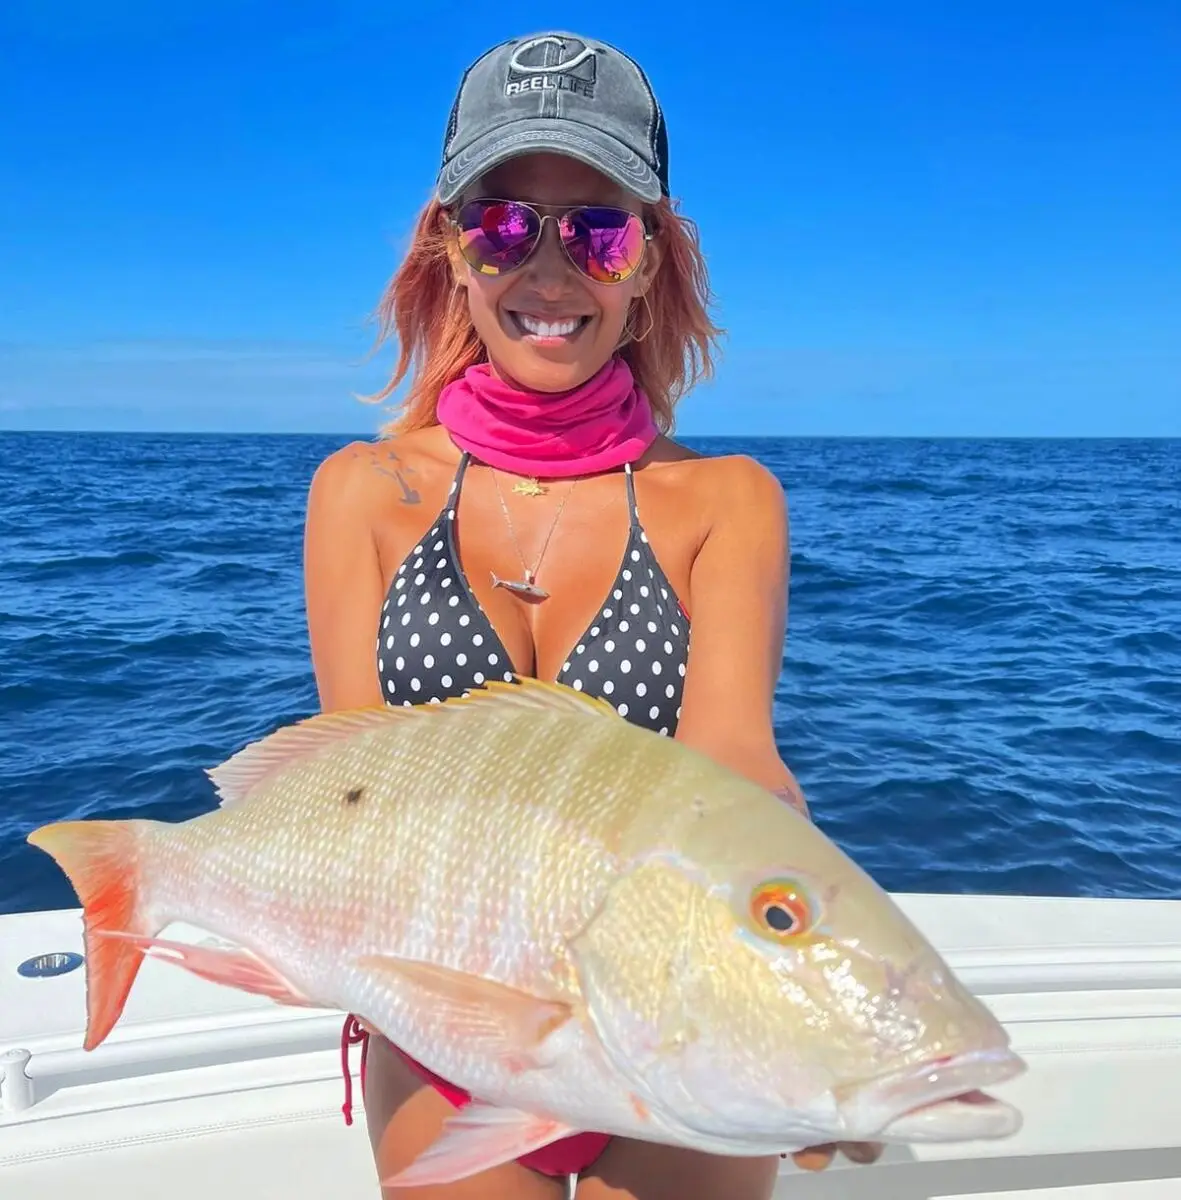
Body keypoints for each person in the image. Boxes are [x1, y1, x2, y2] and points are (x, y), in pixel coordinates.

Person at [303, 29, 882, 1200]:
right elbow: (349, 793)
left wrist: (816, 1021)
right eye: (503, 225)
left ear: (650, 258)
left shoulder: (728, 503)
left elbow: (735, 774)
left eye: (598, 230)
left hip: (670, 1008)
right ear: (450, 247)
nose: (549, 270)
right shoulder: (360, 494)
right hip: (445, 1014)